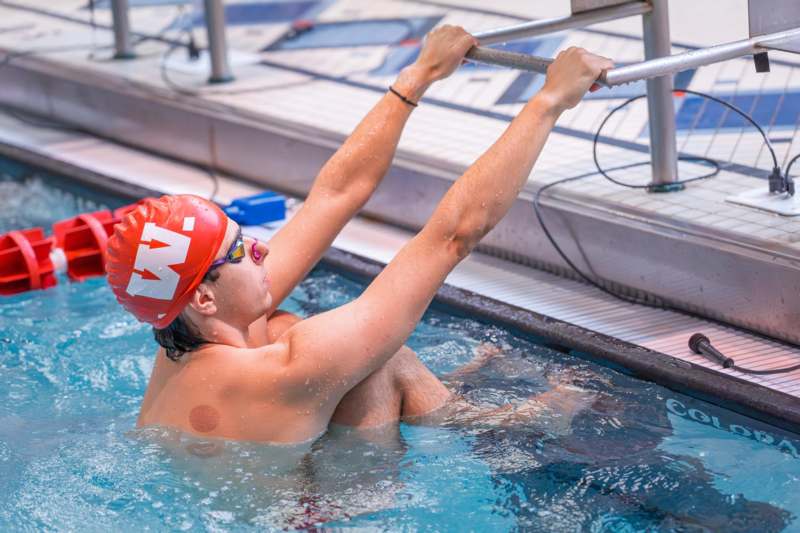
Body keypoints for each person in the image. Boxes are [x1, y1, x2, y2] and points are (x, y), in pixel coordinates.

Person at [105, 25, 613, 444]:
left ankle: (460, 405)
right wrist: (549, 100)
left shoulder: (185, 329)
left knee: (339, 340)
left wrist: (419, 75)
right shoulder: (288, 369)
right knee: (364, 347)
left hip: (269, 480)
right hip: (329, 518)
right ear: (206, 298)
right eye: (239, 249)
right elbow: (453, 237)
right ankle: (502, 425)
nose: (261, 248)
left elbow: (335, 195)